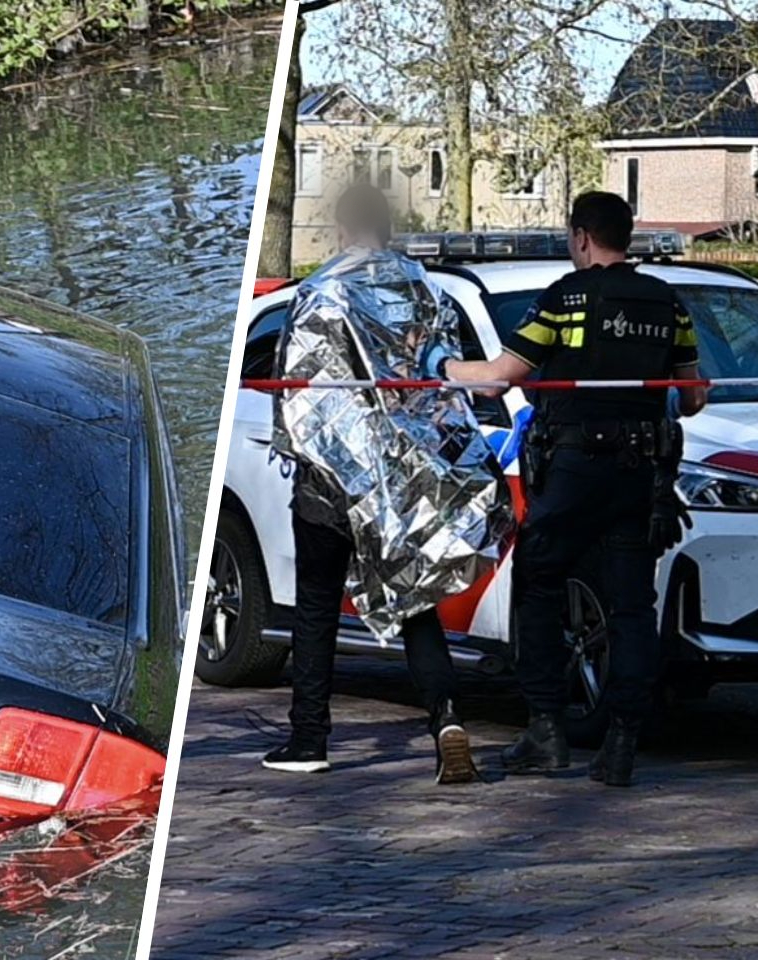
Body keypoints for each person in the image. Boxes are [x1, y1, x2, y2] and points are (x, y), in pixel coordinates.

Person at [446, 191, 703, 787]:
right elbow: (690, 397)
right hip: (641, 472)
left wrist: (443, 368)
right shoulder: (668, 301)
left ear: (582, 237)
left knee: (537, 581)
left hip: (574, 467)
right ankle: (621, 744)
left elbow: (500, 377)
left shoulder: (567, 296)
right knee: (633, 606)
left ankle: (546, 729)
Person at [263, 183, 483, 784]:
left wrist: (299, 454)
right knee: (415, 601)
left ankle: (309, 738)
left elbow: (297, 393)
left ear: (341, 228)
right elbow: (443, 384)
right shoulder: (424, 289)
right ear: (388, 228)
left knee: (315, 608)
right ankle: (446, 719)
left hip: (332, 477)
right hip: (402, 474)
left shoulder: (321, 291)